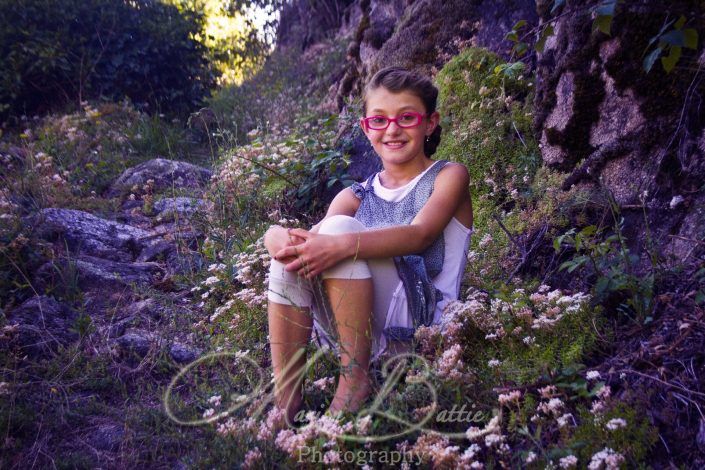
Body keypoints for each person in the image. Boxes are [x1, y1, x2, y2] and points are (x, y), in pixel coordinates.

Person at [263, 66, 474, 424]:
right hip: (355, 333)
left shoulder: (449, 176)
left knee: (338, 234)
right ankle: (286, 402)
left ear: (430, 122)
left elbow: (420, 234)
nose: (392, 129)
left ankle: (354, 385)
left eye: (406, 117)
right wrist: (276, 237)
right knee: (290, 258)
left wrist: (343, 243)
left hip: (421, 330)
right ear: (366, 128)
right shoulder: (355, 195)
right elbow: (312, 244)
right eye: (379, 120)